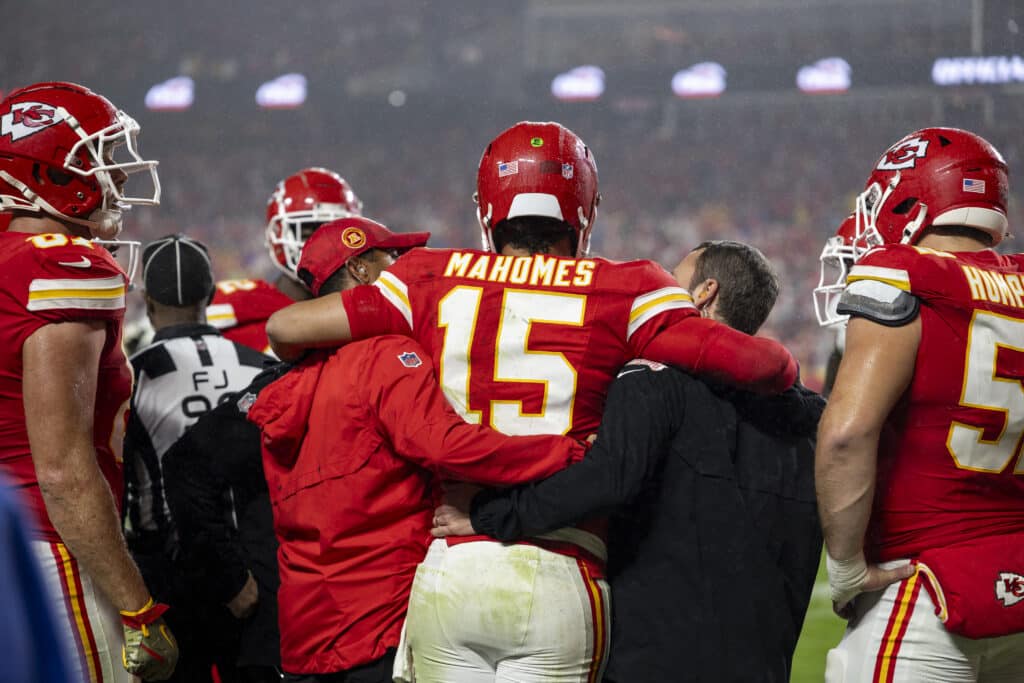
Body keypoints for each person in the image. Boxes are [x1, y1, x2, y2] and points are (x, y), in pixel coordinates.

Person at [265, 121, 798, 682]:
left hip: (452, 566)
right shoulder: (630, 285)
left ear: (488, 209)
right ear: (584, 208)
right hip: (561, 567)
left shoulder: (426, 276)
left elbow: (287, 326)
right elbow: (770, 366)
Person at [432, 240, 825, 682]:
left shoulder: (655, 381)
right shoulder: (809, 424)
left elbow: (605, 479)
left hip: (654, 659)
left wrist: (491, 513)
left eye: (673, 281)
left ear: (704, 293)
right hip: (764, 664)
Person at [243, 216, 595, 682]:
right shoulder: (383, 354)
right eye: (391, 257)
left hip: (305, 637)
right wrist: (564, 453)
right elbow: (448, 446)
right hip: (379, 627)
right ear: (362, 272)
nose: (402, 268)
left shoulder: (286, 386)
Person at [815, 127, 1024, 682]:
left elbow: (845, 435)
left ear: (914, 200)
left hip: (924, 587)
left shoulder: (902, 273)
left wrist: (845, 567)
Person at [0, 81, 177, 681]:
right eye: (99, 157)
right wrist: (139, 608)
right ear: (43, 173)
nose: (118, 175)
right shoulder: (58, 265)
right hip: (49, 550)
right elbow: (63, 470)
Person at [123, 234, 271, 682]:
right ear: (210, 294)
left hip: (170, 578)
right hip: (255, 572)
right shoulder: (260, 365)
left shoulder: (133, 376)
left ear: (148, 301)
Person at [206, 167, 363, 354]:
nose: (324, 243)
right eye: (308, 230)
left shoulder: (366, 310)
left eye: (337, 231)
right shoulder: (234, 307)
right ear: (277, 234)